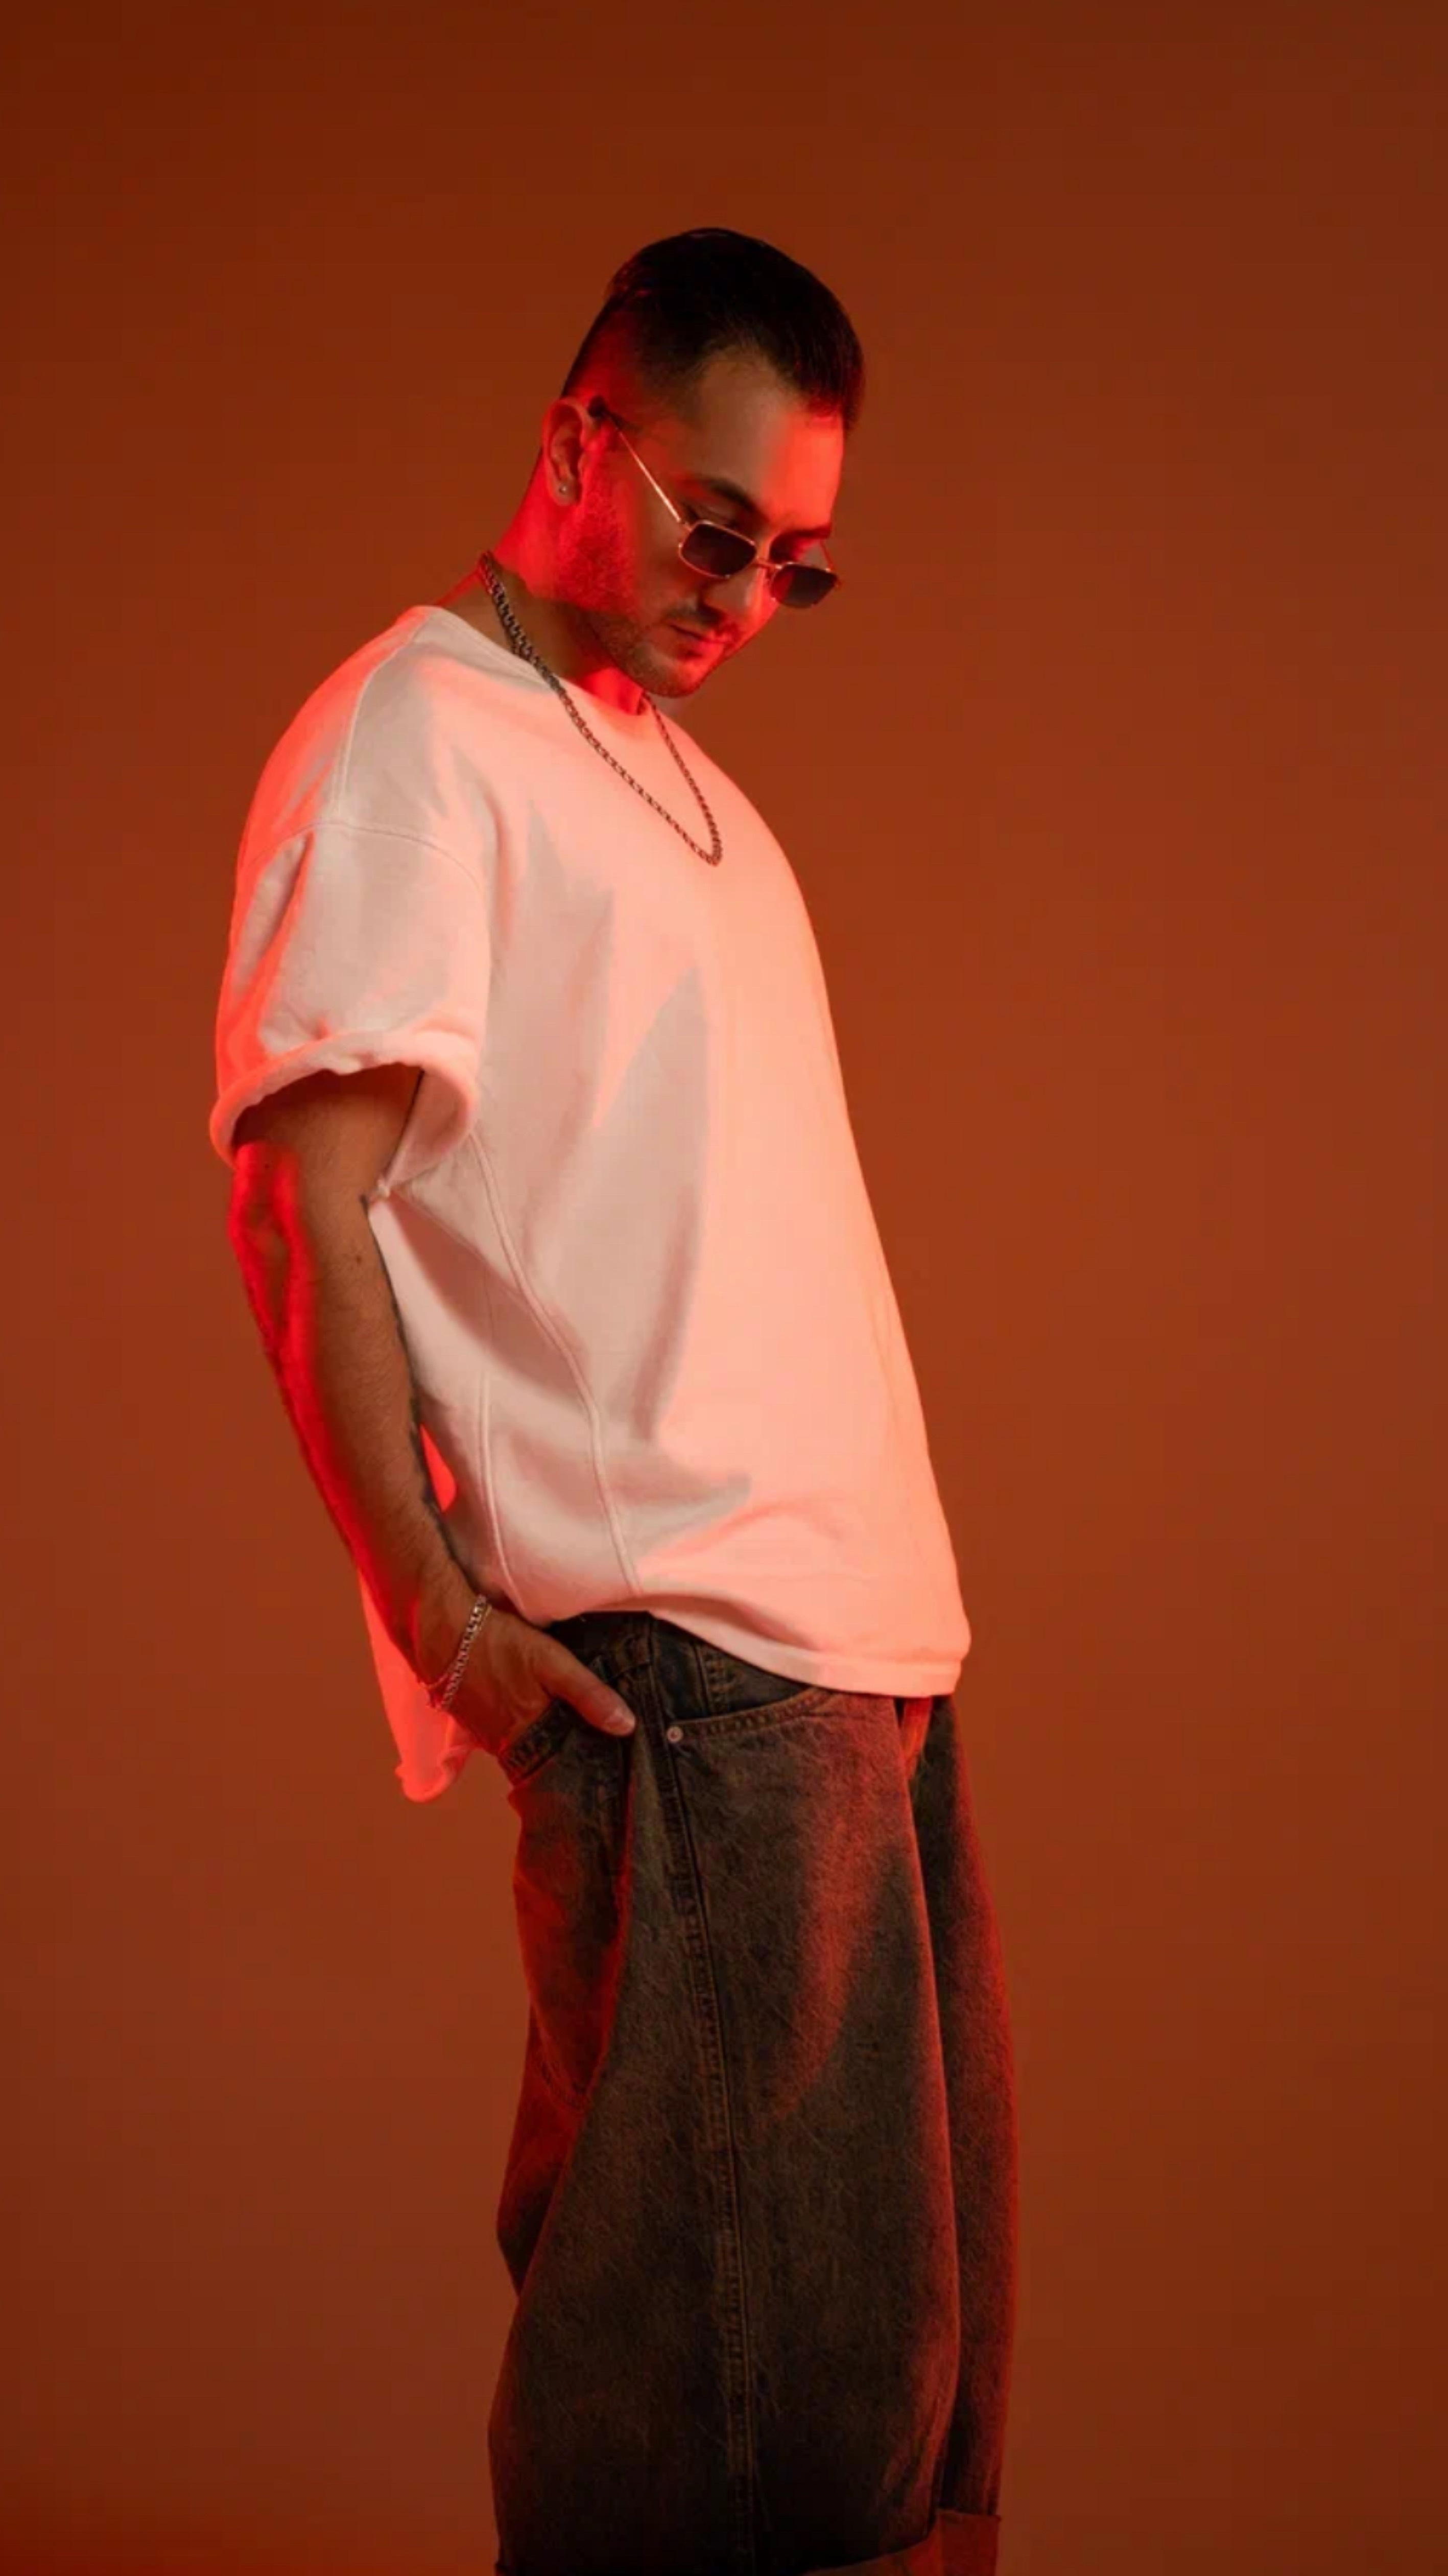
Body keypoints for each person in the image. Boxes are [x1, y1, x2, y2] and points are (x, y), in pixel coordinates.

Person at [208, 226, 1018, 2576]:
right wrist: (445, 1621)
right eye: (716, 527)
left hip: (860, 1665)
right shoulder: (414, 737)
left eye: (797, 565)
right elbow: (299, 1207)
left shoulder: (686, 792)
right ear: (584, 437)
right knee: (736, 2423)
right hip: (692, 1667)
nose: (744, 597)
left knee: (891, 2416)